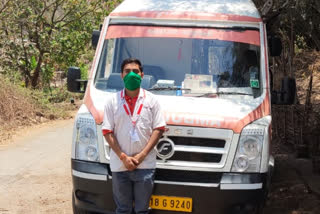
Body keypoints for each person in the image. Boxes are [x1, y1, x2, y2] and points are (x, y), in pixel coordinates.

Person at [102, 58, 166, 214]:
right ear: (122, 75)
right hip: (120, 165)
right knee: (123, 209)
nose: (132, 74)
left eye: (135, 71)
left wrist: (142, 156)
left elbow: (159, 128)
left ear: (142, 75)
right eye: (127, 71)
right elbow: (107, 131)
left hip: (145, 166)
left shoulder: (152, 101)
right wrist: (123, 157)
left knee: (142, 210)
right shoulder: (112, 101)